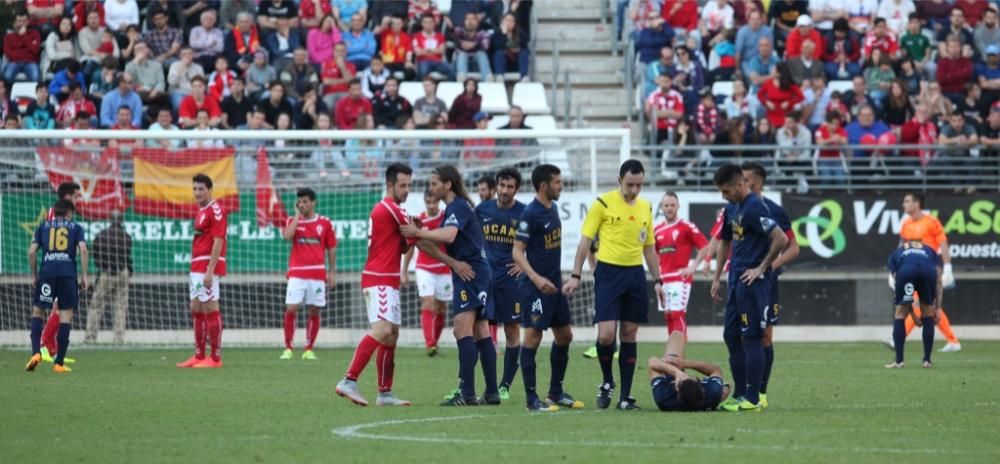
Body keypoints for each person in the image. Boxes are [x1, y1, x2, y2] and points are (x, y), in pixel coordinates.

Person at [563, 160, 666, 410]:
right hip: (608, 274)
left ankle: (626, 397)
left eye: (639, 185)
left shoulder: (646, 206)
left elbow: (649, 247)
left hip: (635, 275)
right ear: (620, 181)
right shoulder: (603, 204)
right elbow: (585, 242)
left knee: (629, 333)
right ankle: (608, 380)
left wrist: (658, 280)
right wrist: (576, 275)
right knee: (607, 335)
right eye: (630, 184)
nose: (634, 190)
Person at [401, 165, 500, 406]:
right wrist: (420, 235)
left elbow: (448, 236)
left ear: (448, 184)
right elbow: (435, 243)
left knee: (461, 330)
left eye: (435, 183)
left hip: (471, 273)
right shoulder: (454, 209)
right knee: (480, 331)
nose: (431, 187)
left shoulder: (457, 207)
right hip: (470, 271)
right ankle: (491, 392)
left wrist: (420, 232)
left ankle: (466, 393)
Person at [334, 163, 416, 407]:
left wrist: (413, 232)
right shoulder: (390, 207)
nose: (407, 190)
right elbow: (414, 235)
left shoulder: (390, 210)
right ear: (390, 185)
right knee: (382, 330)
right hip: (379, 279)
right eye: (403, 185)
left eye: (409, 185)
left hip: (387, 280)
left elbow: (403, 244)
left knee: (391, 335)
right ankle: (349, 380)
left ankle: (385, 393)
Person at [709, 163, 789, 412]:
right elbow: (724, 241)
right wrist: (717, 277)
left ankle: (753, 399)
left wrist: (762, 267)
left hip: (752, 284)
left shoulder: (755, 207)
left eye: (726, 191)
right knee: (731, 336)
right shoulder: (732, 208)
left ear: (741, 184)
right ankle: (741, 394)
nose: (724, 196)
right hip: (735, 282)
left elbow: (781, 238)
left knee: (752, 337)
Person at [507, 164, 583, 412]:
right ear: (544, 185)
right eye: (558, 182)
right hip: (536, 287)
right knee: (532, 337)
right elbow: (517, 252)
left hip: (554, 285)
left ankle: (555, 392)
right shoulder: (530, 213)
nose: (561, 186)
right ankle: (531, 400)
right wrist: (536, 278)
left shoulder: (553, 209)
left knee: (565, 336)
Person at [739, 162, 800, 406]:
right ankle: (745, 392)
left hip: (766, 283)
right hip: (743, 282)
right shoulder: (737, 208)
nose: (741, 183)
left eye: (745, 179)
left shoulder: (774, 210)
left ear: (758, 182)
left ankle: (760, 394)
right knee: (743, 336)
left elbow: (793, 248)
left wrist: (766, 268)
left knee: (764, 336)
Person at [884, 193, 962, 353]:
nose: (903, 204)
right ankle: (953, 341)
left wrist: (947, 267)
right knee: (926, 305)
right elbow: (901, 248)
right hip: (911, 269)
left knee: (919, 305)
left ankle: (897, 338)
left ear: (917, 203)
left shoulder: (931, 222)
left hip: (928, 269)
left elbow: (943, 244)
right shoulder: (906, 224)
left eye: (907, 201)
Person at [474, 168, 527, 401]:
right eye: (502, 186)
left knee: (511, 331)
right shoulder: (482, 210)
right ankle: (490, 386)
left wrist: (524, 265)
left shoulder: (524, 213)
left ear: (517, 189)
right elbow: (471, 239)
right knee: (481, 330)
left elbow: (536, 246)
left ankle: (505, 385)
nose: (505, 191)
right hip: (486, 279)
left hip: (511, 281)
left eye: (510, 187)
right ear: (496, 186)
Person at [26, 200, 88, 374]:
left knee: (38, 312)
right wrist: (84, 276)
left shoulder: (43, 226)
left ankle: (36, 353)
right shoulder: (76, 227)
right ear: (69, 212)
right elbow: (83, 250)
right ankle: (59, 363)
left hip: (47, 273)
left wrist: (34, 276)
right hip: (68, 274)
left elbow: (31, 252)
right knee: (66, 315)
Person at [176, 174, 227, 369]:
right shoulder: (201, 211)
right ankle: (199, 355)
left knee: (210, 308)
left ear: (209, 189)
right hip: (196, 265)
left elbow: (218, 240)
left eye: (201, 189)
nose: (197, 192)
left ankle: (215, 359)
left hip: (207, 265)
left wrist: (210, 270)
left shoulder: (216, 209)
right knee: (196, 308)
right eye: (195, 189)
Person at [280, 188, 337, 361]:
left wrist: (332, 272)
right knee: (291, 308)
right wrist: (297, 216)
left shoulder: (325, 223)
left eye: (305, 201)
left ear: (313, 202)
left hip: (317, 273)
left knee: (315, 310)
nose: (302, 204)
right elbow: (287, 237)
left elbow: (331, 247)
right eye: (300, 202)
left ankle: (308, 348)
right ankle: (288, 348)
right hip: (297, 273)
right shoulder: (293, 221)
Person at [653, 192, 711, 341]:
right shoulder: (657, 230)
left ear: (678, 206)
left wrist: (693, 267)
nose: (669, 208)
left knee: (677, 314)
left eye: (672, 205)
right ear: (662, 208)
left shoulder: (686, 226)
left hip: (680, 278)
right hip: (664, 279)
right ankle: (673, 354)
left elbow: (704, 246)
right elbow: (652, 253)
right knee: (668, 316)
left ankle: (678, 354)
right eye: (666, 205)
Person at [37, 183, 84, 365]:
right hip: (56, 268)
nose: (77, 200)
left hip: (63, 268)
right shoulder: (54, 215)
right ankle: (44, 345)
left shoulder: (67, 217)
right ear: (67, 197)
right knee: (59, 308)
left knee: (59, 308)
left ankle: (53, 349)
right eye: (75, 196)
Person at [402, 189, 452, 356]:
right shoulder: (420, 221)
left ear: (439, 201)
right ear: (424, 202)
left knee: (441, 308)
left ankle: (435, 343)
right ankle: (429, 343)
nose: (431, 205)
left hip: (444, 267)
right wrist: (404, 270)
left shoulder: (447, 218)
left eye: (434, 202)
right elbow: (410, 247)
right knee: (427, 302)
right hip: (424, 268)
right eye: (428, 202)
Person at [885, 240, 943, 369]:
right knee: (927, 312)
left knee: (900, 313)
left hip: (906, 270)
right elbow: (938, 278)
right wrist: (938, 307)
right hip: (928, 271)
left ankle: (899, 361)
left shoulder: (896, 254)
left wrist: (911, 314)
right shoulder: (930, 250)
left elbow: (897, 284)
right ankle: (927, 361)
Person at [648, 330, 730, 411]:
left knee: (676, 335)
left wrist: (676, 372)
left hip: (671, 381)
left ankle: (673, 361)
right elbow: (716, 370)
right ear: (700, 386)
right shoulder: (712, 392)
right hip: (710, 398)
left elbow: (652, 362)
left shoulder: (664, 399)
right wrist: (686, 363)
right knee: (725, 388)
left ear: (677, 390)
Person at [84, 210, 132, 344]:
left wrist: (102, 265)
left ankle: (90, 337)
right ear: (121, 221)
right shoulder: (126, 236)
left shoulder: (101, 235)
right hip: (122, 272)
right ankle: (119, 338)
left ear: (110, 220)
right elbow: (128, 257)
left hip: (106, 272)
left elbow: (93, 253)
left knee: (96, 306)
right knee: (120, 307)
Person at [412, 14, 455, 80]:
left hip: (438, 61)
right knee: (422, 73)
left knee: (452, 71)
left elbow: (442, 50)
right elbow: (418, 53)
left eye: (430, 22)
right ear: (422, 24)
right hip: (423, 61)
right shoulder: (416, 36)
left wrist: (426, 50)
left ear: (434, 23)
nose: (428, 25)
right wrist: (435, 50)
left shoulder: (440, 36)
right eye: (425, 22)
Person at [3, 11, 42, 82]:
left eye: (24, 21)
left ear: (28, 22)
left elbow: (35, 51)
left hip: (30, 62)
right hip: (14, 63)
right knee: (7, 76)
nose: (21, 23)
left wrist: (24, 36)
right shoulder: (8, 36)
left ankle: (33, 93)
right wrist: (26, 53)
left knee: (36, 76)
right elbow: (8, 53)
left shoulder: (35, 34)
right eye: (19, 21)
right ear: (15, 22)